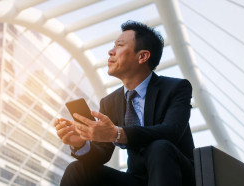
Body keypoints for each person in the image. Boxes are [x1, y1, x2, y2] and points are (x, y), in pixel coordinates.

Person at [54, 20, 195, 186]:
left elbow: (171, 132)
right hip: (136, 180)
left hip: (177, 175)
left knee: (160, 147)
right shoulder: (110, 102)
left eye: (119, 46)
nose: (110, 51)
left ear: (142, 56)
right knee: (77, 170)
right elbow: (103, 154)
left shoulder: (176, 88)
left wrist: (117, 133)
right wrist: (81, 143)